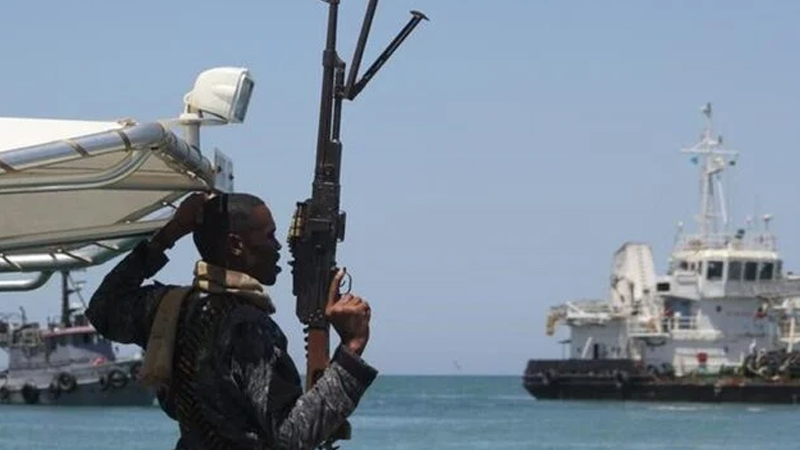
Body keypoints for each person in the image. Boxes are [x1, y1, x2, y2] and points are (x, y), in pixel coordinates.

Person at [85, 192, 376, 450]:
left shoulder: (169, 308)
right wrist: (351, 348)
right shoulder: (249, 328)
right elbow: (292, 436)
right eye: (269, 236)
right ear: (236, 244)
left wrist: (170, 234)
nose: (277, 247)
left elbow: (103, 308)